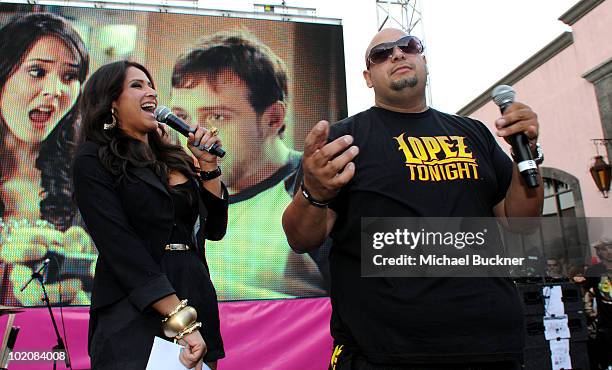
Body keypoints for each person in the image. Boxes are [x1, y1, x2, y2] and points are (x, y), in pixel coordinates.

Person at [283, 28, 544, 369]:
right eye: (381, 54)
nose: (397, 55)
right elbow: (301, 238)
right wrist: (313, 193)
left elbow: (520, 222)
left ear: (424, 61)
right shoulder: (343, 140)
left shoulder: (473, 133)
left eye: (408, 46)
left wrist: (530, 153)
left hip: (490, 345)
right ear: (367, 77)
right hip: (386, 351)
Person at [73, 60, 228, 369]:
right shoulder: (93, 159)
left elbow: (214, 229)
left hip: (192, 289)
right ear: (111, 102)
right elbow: (120, 246)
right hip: (135, 303)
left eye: (151, 85)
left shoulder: (175, 157)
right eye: (137, 85)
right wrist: (180, 320)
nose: (151, 92)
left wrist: (208, 167)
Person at [170, 29, 326, 300]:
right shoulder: (179, 191)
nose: (193, 138)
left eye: (216, 116)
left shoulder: (317, 185)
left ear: (273, 119)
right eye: (182, 118)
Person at [0, 12, 92, 306]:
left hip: (53, 344)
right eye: (38, 72)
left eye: (69, 76)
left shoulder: (87, 176)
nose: (55, 91)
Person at [583, 238, 612, 369]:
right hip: (605, 324)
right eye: (605, 248)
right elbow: (585, 293)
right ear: (599, 252)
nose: (609, 251)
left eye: (610, 247)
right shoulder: (593, 271)